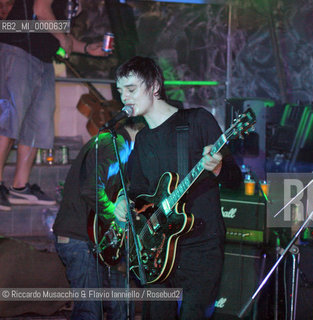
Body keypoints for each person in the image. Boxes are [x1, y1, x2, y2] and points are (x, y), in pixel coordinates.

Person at [114, 56, 242, 319]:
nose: (124, 97)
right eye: (120, 92)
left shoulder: (196, 121)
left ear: (155, 86)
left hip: (200, 244)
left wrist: (217, 168)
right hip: (157, 249)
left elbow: (234, 180)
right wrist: (123, 201)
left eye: (131, 89)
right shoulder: (143, 140)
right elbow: (137, 193)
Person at [0, 0, 110, 211]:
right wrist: (62, 38)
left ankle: (19, 187)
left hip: (42, 58)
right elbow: (40, 10)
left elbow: (56, 33)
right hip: (17, 49)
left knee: (38, 124)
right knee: (8, 120)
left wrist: (87, 48)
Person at [53, 118, 144, 319]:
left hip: (87, 238)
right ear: (142, 130)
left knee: (117, 307)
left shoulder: (107, 142)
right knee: (89, 313)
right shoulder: (118, 145)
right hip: (80, 239)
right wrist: (114, 215)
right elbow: (92, 188)